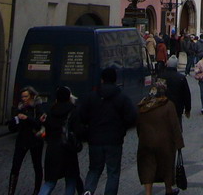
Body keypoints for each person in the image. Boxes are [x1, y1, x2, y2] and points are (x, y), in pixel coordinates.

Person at [78, 67, 136, 195]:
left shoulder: (92, 97)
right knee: (113, 172)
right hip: (114, 140)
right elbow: (132, 117)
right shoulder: (121, 97)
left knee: (94, 169)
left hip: (95, 139)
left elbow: (81, 116)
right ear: (115, 80)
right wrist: (122, 128)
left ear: (102, 80)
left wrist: (88, 128)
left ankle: (88, 190)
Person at [135, 79, 185, 195]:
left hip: (146, 141)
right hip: (165, 142)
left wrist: (141, 137)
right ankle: (168, 189)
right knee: (167, 165)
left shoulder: (143, 106)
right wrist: (179, 143)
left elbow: (138, 125)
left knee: (147, 166)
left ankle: (148, 192)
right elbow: (175, 126)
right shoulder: (168, 105)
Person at [38, 86, 81, 195]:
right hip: (68, 149)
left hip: (52, 149)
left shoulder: (50, 111)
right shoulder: (73, 110)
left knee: (49, 182)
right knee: (70, 180)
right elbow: (78, 130)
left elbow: (46, 129)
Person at [7, 86, 44, 195]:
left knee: (37, 165)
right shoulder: (20, 108)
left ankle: (36, 191)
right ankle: (11, 191)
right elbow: (12, 128)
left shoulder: (38, 108)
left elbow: (39, 123)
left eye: (26, 96)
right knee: (15, 166)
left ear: (32, 96)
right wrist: (13, 121)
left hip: (35, 140)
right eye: (22, 97)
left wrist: (27, 118)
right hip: (22, 140)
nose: (24, 99)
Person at [157, 56, 191, 122]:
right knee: (177, 126)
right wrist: (187, 109)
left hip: (163, 106)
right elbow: (186, 95)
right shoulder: (181, 78)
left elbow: (157, 91)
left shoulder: (161, 76)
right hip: (177, 107)